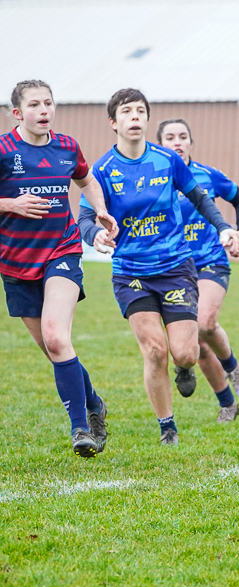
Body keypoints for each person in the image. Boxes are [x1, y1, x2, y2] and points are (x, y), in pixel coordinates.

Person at [78, 88, 239, 445]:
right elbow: (85, 217)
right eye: (127, 111)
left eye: (140, 111)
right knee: (155, 350)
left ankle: (185, 367)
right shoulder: (102, 170)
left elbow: (200, 198)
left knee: (185, 352)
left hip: (175, 269)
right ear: (113, 122)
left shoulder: (167, 160)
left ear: (147, 118)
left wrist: (223, 227)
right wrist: (95, 234)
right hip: (131, 273)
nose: (134, 117)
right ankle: (167, 427)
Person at [0, 80, 118, 458]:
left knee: (55, 335)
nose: (44, 110)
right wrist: (11, 204)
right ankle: (94, 402)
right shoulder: (3, 150)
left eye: (48, 103)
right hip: (16, 263)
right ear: (17, 113)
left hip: (62, 251)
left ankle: (81, 428)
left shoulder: (67, 146)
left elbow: (87, 180)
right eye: (34, 105)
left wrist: (100, 211)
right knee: (54, 349)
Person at [157, 119, 239, 423]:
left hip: (210, 261)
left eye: (182, 136)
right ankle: (228, 404)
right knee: (195, 342)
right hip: (173, 268)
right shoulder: (152, 181)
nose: (177, 142)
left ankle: (233, 367)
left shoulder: (207, 176)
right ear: (159, 145)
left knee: (204, 323)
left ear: (190, 142)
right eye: (170, 137)